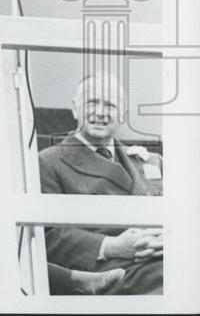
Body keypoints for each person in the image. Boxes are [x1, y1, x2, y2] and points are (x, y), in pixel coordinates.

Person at [39, 72, 163, 295]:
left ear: (122, 115)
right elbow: (46, 236)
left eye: (110, 105)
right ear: (75, 108)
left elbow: (186, 213)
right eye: (92, 102)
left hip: (159, 257)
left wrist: (167, 238)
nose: (100, 112)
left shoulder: (150, 161)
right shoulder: (48, 161)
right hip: (105, 272)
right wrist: (112, 246)